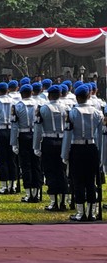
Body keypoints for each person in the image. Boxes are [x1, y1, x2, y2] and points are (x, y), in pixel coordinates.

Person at [61, 84, 103, 221]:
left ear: (77, 97)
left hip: (77, 149)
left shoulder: (72, 113)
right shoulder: (98, 113)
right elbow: (100, 136)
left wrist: (65, 154)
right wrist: (100, 153)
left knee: (78, 181)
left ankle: (80, 212)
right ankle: (91, 212)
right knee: (91, 181)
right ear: (89, 96)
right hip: (92, 148)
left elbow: (67, 136)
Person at [33, 85, 70, 211]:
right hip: (63, 140)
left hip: (48, 141)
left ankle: (54, 201)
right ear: (60, 94)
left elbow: (38, 129)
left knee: (50, 172)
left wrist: (36, 146)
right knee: (62, 171)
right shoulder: (67, 108)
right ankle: (63, 201)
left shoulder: (43, 109)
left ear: (49, 95)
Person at [10, 84, 42, 203]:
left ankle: (29, 193)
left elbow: (14, 126)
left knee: (26, 165)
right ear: (31, 92)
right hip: (35, 134)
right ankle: (36, 192)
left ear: (21, 94)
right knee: (36, 164)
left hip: (23, 136)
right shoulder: (38, 105)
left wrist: (14, 143)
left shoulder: (17, 106)